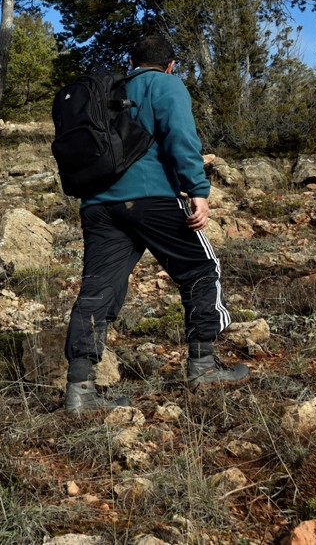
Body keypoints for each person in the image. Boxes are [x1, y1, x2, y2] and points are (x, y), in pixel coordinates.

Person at [63, 36, 249, 414]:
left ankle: (79, 391)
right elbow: (181, 137)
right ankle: (202, 366)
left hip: (98, 204)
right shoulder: (166, 85)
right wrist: (198, 190)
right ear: (171, 64)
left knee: (99, 290)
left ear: (131, 60)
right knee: (201, 270)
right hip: (152, 198)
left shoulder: (110, 90)